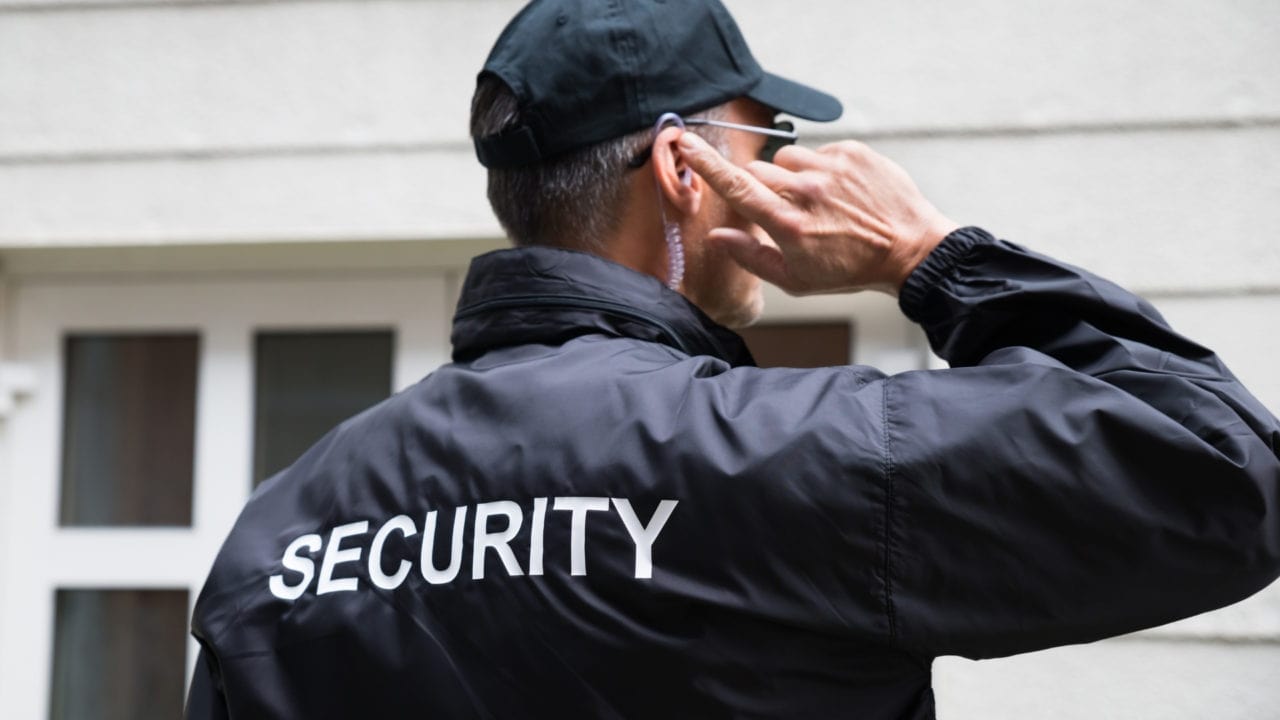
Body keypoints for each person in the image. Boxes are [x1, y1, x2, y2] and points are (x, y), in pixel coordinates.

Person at [185, 1, 1280, 718]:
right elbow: (1221, 470)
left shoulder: (287, 525)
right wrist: (930, 258)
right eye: (766, 146)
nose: (787, 172)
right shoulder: (795, 455)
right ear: (682, 167)